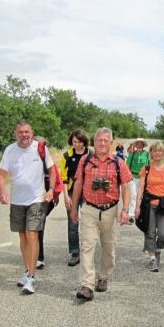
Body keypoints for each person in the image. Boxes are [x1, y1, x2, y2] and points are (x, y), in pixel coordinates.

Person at [69, 127, 133, 301]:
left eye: (106, 141)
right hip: (89, 208)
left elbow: (126, 187)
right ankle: (87, 285)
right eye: (99, 140)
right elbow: (78, 184)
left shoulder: (118, 162)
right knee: (87, 246)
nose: (102, 143)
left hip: (110, 210)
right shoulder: (85, 160)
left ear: (111, 143)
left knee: (109, 247)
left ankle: (103, 277)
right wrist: (74, 208)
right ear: (94, 142)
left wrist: (125, 210)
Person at [0, 120, 55, 295]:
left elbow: (52, 171)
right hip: (17, 200)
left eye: (27, 132)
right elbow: (1, 175)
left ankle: (31, 276)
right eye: (21, 132)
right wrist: (2, 192)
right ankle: (26, 270)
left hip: (36, 199)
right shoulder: (10, 150)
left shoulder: (41, 148)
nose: (24, 135)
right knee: (22, 236)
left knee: (32, 234)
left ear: (32, 132)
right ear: (16, 134)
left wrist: (51, 189)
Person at [135, 141, 164, 272]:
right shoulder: (146, 169)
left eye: (160, 151)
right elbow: (141, 188)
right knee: (150, 232)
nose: (157, 153)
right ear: (151, 153)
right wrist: (137, 207)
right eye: (155, 151)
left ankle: (157, 248)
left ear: (163, 153)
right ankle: (152, 259)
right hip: (148, 205)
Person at [61, 129, 91, 267]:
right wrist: (66, 196)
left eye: (79, 142)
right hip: (72, 191)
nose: (77, 144)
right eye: (74, 142)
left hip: (88, 191)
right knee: (73, 223)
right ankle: (74, 252)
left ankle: (87, 251)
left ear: (84, 142)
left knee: (88, 222)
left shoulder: (91, 155)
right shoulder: (67, 156)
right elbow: (64, 178)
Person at [33, 136, 57, 270]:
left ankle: (39, 257)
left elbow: (54, 176)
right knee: (34, 225)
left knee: (38, 224)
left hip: (45, 194)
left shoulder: (46, 157)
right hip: (30, 196)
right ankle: (34, 254)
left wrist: (53, 193)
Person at [125, 138, 149, 223]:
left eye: (141, 144)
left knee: (141, 197)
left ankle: (138, 214)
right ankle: (131, 215)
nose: (139, 145)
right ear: (135, 145)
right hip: (133, 178)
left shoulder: (146, 155)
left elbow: (148, 167)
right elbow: (127, 166)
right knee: (133, 195)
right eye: (137, 144)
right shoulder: (132, 154)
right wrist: (129, 175)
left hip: (142, 179)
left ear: (143, 145)